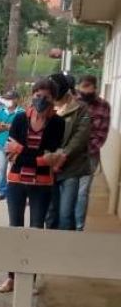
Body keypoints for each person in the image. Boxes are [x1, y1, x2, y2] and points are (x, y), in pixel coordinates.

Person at [0, 78, 65, 293]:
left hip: (42, 184)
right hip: (16, 182)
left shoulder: (57, 123)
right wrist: (40, 159)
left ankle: (31, 280)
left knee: (35, 231)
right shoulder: (19, 119)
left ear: (54, 99)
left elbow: (51, 155)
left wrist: (23, 152)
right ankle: (11, 278)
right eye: (37, 95)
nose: (41, 99)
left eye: (46, 96)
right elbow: (10, 153)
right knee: (14, 229)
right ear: (32, 95)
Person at [45, 73, 91, 231]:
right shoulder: (45, 107)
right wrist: (50, 158)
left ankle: (67, 243)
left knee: (65, 214)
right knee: (50, 213)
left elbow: (80, 137)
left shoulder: (80, 108)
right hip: (48, 167)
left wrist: (63, 156)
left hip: (71, 168)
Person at [75, 74, 112, 230]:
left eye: (89, 87)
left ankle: (78, 227)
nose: (86, 91)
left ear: (95, 88)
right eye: (83, 87)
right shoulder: (73, 102)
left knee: (82, 192)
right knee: (68, 190)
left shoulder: (103, 106)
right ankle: (65, 225)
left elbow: (101, 134)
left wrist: (86, 150)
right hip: (69, 155)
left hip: (90, 155)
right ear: (78, 87)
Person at [0, 89, 23, 201]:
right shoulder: (1, 111)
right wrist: (9, 126)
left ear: (16, 100)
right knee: (1, 170)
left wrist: (3, 125)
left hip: (14, 145)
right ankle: (2, 192)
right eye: (6, 99)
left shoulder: (21, 113)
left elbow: (19, 128)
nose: (7, 101)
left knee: (14, 170)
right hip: (0, 144)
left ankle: (13, 192)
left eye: (10, 99)